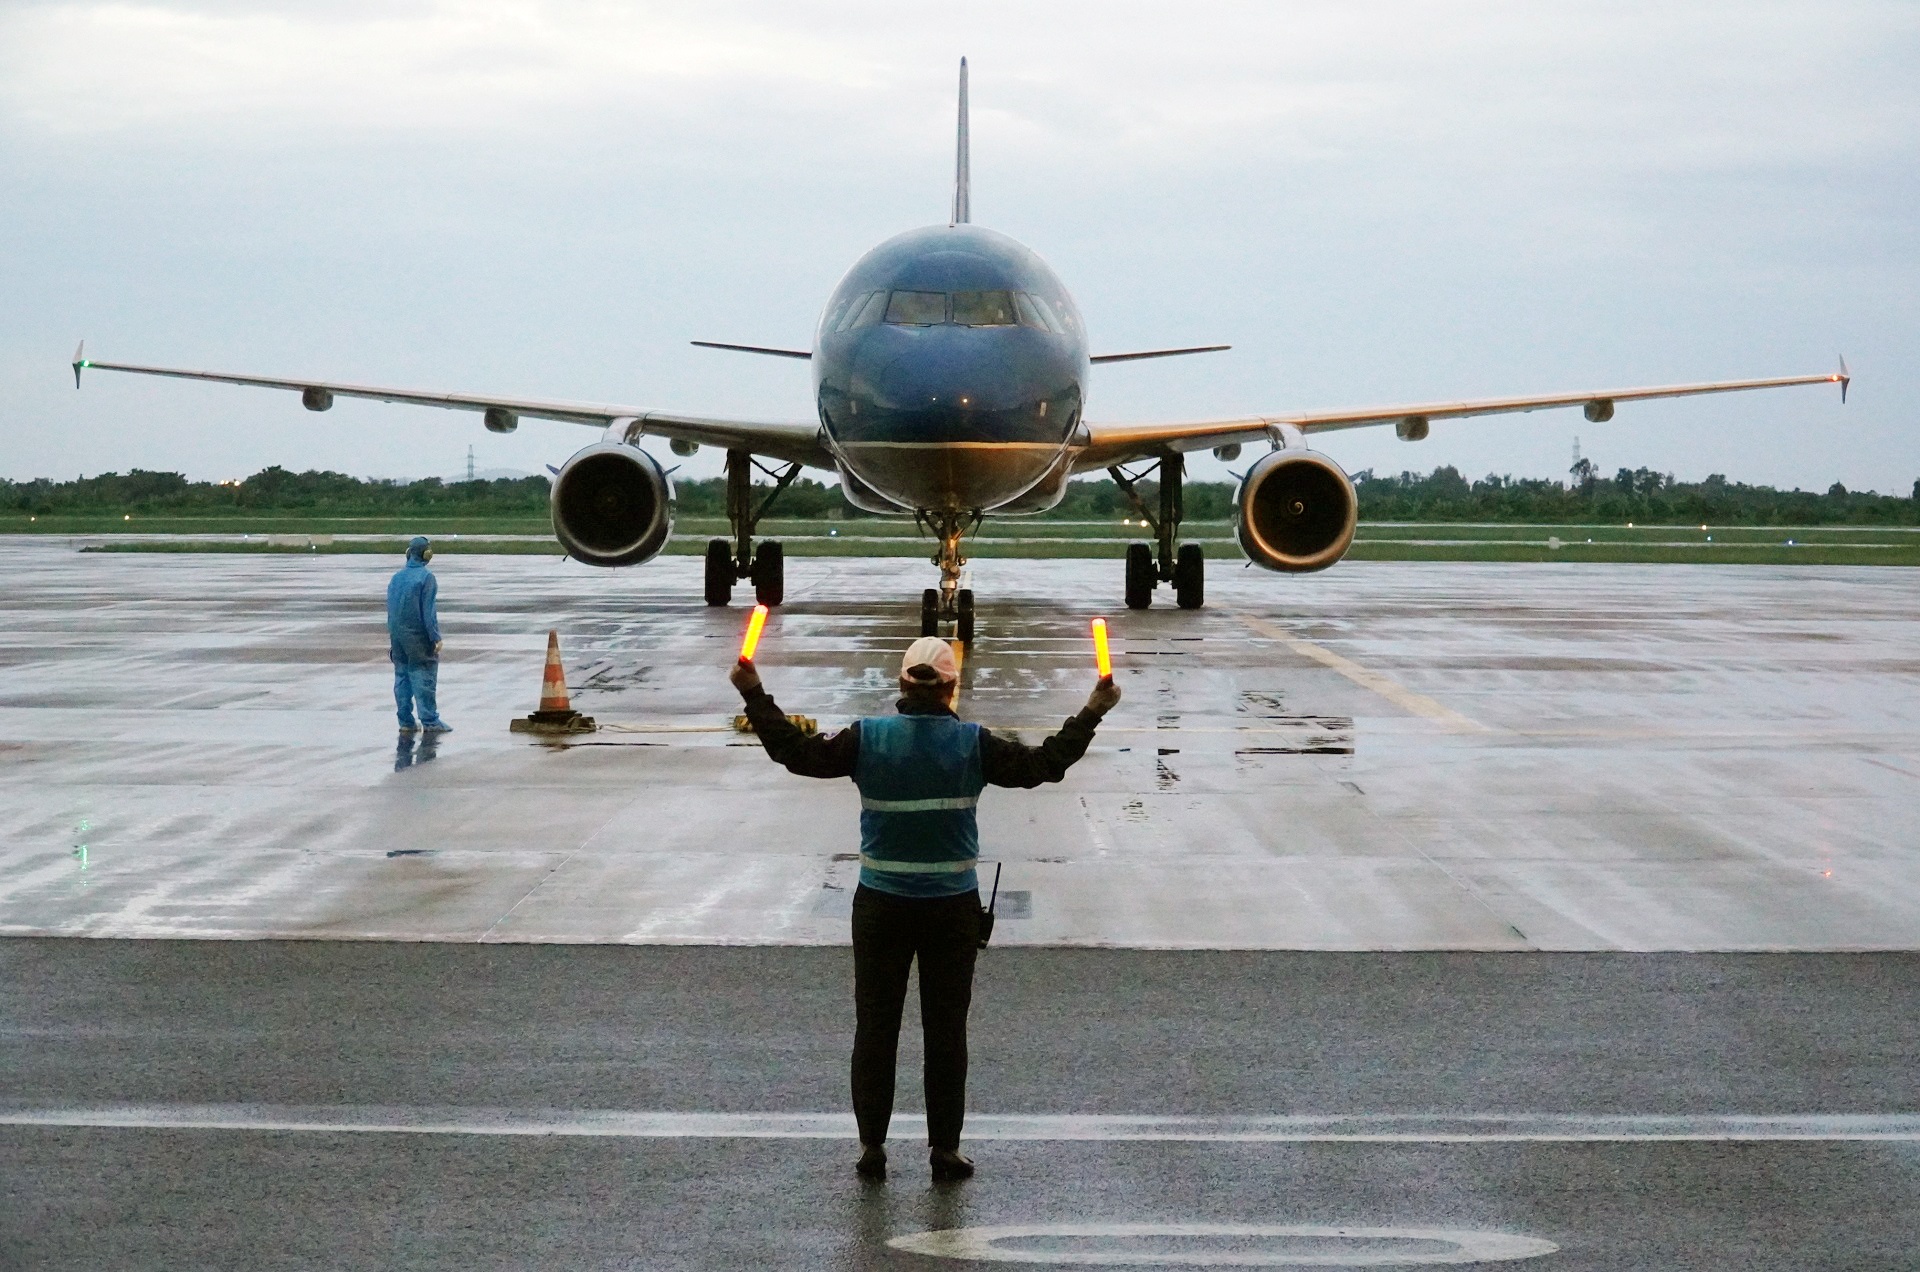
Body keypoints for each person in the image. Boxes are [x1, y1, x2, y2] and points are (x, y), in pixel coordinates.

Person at [731, 635, 1120, 1182]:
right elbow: (1043, 766)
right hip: (950, 908)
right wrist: (1092, 711)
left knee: (875, 1028)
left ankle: (871, 1146)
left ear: (901, 683)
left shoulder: (868, 739)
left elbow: (797, 754)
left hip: (880, 905)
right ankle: (944, 1150)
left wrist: (754, 693)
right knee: (945, 1033)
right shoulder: (972, 743)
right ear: (952, 688)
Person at [386, 536, 450, 734]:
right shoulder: (426, 578)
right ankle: (430, 720)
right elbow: (428, 613)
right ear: (426, 554)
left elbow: (391, 610)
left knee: (402, 676)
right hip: (418, 637)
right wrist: (435, 637)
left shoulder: (396, 577)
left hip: (397, 636)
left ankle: (405, 722)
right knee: (424, 675)